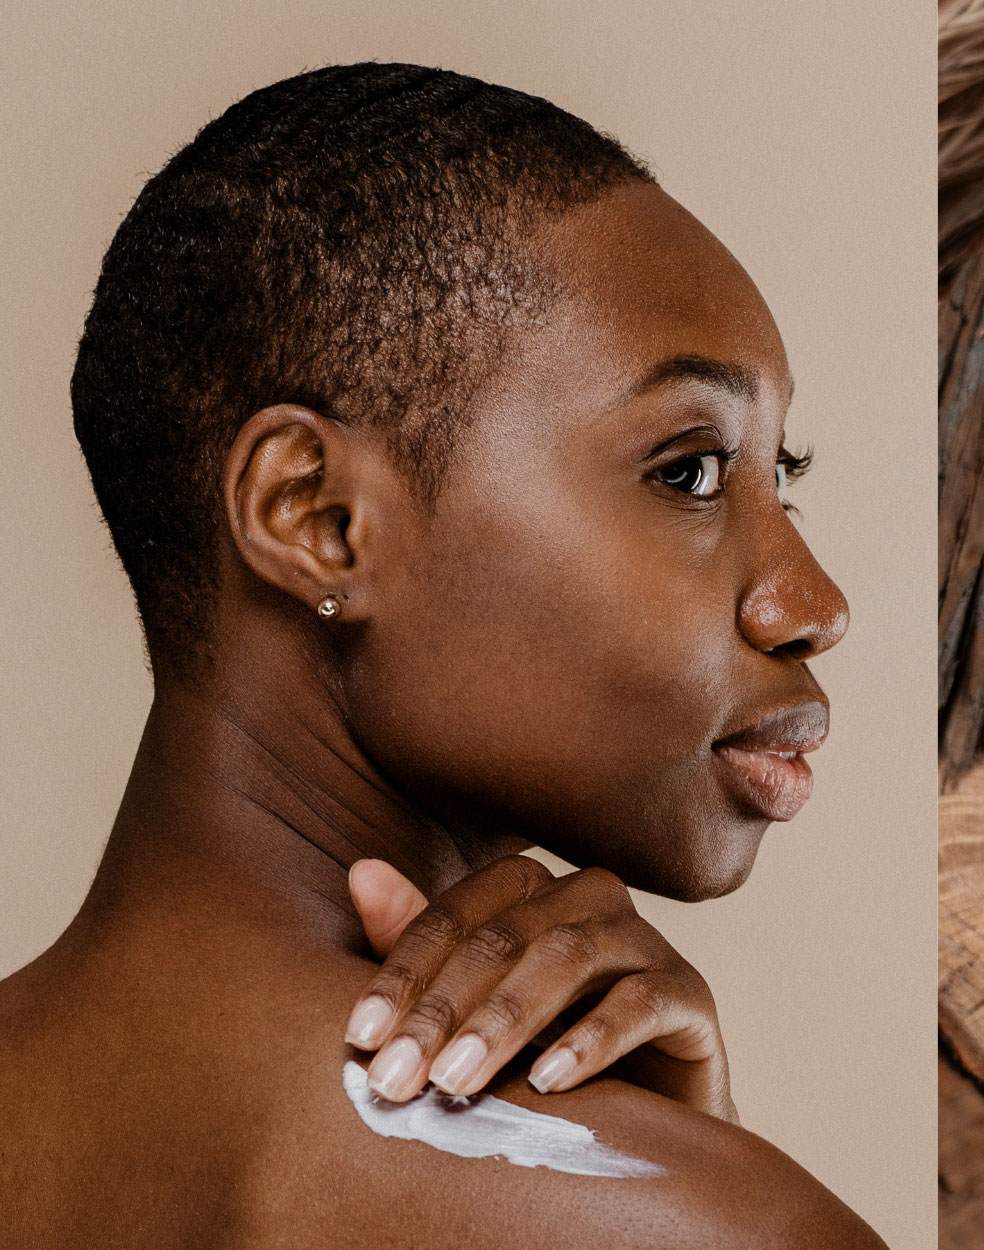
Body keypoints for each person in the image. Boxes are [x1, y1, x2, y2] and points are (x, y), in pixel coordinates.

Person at [0, 61, 882, 1248]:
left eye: (789, 481)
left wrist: (692, 1150)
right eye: (687, 470)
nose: (810, 604)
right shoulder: (700, 1218)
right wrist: (705, 1195)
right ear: (316, 518)